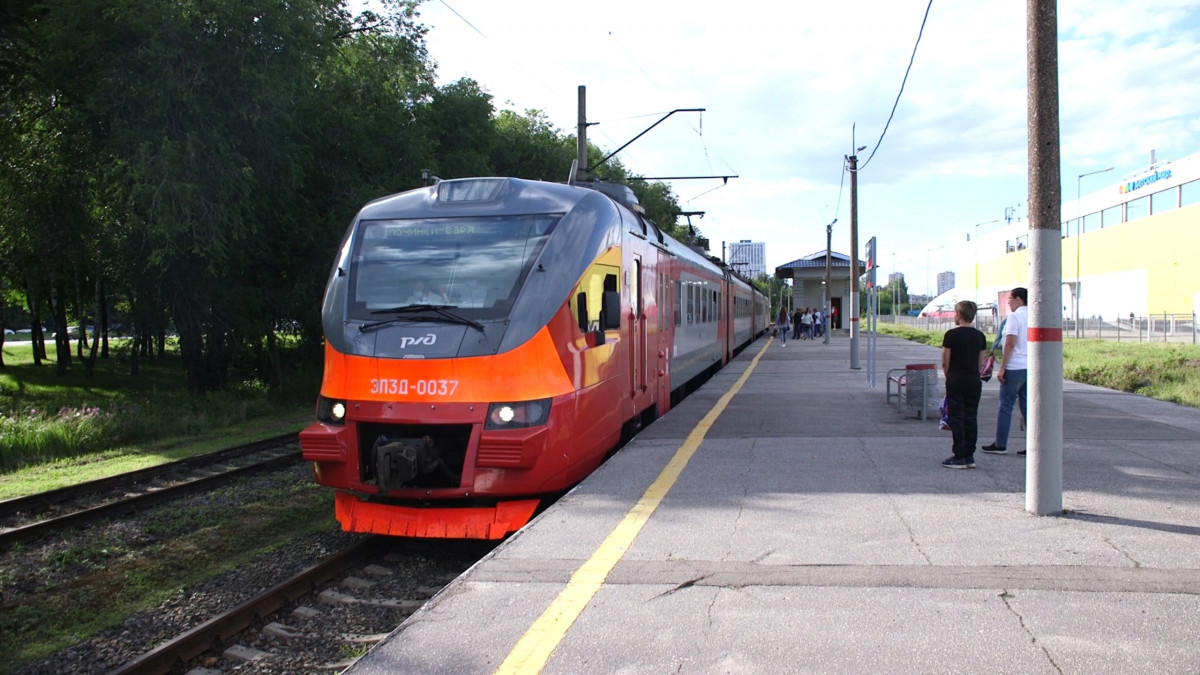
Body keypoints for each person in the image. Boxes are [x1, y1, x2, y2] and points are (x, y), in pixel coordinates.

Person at [940, 300, 988, 469]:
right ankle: (969, 455)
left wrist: (949, 376)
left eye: (954, 313)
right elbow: (980, 362)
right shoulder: (980, 336)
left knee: (957, 417)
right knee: (971, 417)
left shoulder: (951, 335)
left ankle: (959, 455)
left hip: (956, 379)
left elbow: (945, 361)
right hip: (974, 380)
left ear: (959, 315)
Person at [983, 287, 1029, 456]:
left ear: (1019, 299)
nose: (1008, 302)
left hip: (1014, 366)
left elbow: (1009, 343)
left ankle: (1001, 444)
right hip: (1029, 367)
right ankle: (1033, 445)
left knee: (1005, 406)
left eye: (1010, 299)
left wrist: (1002, 368)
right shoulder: (1035, 316)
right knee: (1027, 407)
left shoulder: (1014, 318)